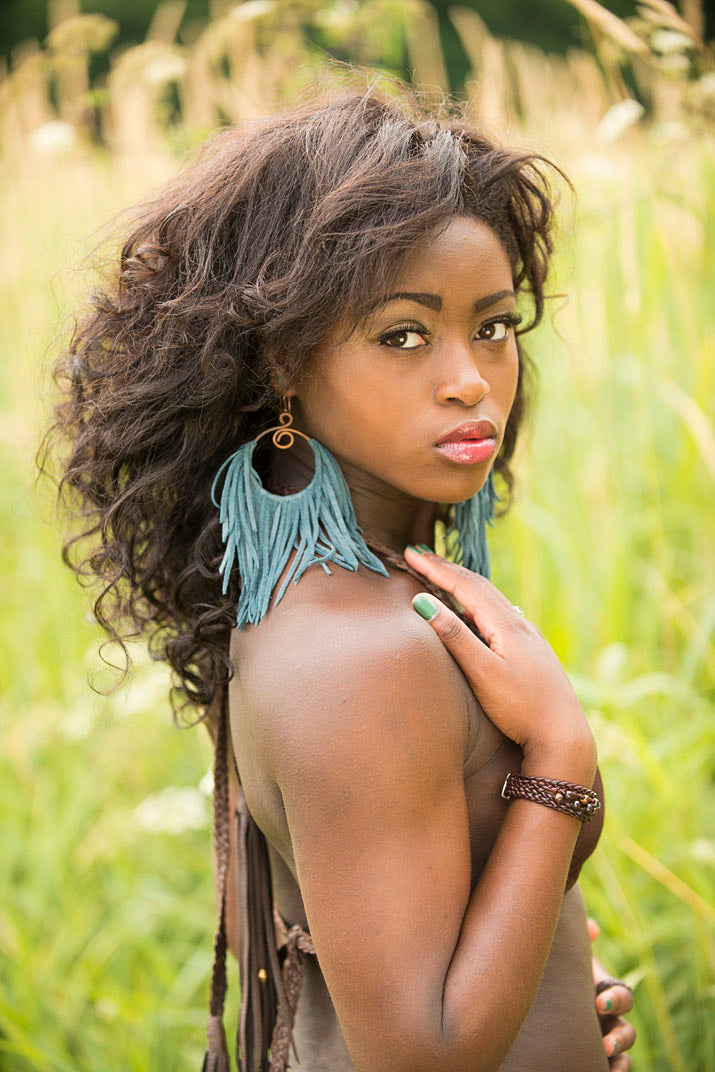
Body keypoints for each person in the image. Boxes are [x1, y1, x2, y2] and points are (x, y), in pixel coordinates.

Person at [49, 86, 636, 1071]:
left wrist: (546, 989)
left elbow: (328, 942)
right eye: (404, 334)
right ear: (285, 361)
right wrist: (560, 757)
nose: (468, 378)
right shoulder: (361, 654)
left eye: (492, 326)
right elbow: (422, 1055)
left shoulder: (312, 602)